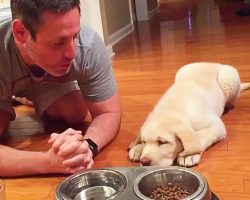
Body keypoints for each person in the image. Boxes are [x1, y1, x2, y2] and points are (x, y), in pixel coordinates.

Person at [0, 0, 122, 177]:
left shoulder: (88, 44)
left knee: (74, 112)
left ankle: (26, 95)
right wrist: (47, 162)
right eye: (58, 42)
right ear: (21, 33)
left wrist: (87, 146)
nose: (72, 53)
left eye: (75, 36)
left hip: (32, 76)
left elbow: (108, 112)